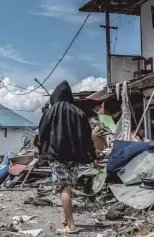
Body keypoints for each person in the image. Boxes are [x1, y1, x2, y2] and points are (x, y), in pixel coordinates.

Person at [38, 80, 98, 234]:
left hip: (57, 155)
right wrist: (93, 155)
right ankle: (65, 221)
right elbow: (87, 138)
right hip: (75, 156)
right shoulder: (79, 113)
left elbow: (42, 134)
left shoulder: (50, 112)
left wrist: (41, 152)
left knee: (63, 188)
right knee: (67, 187)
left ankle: (70, 225)